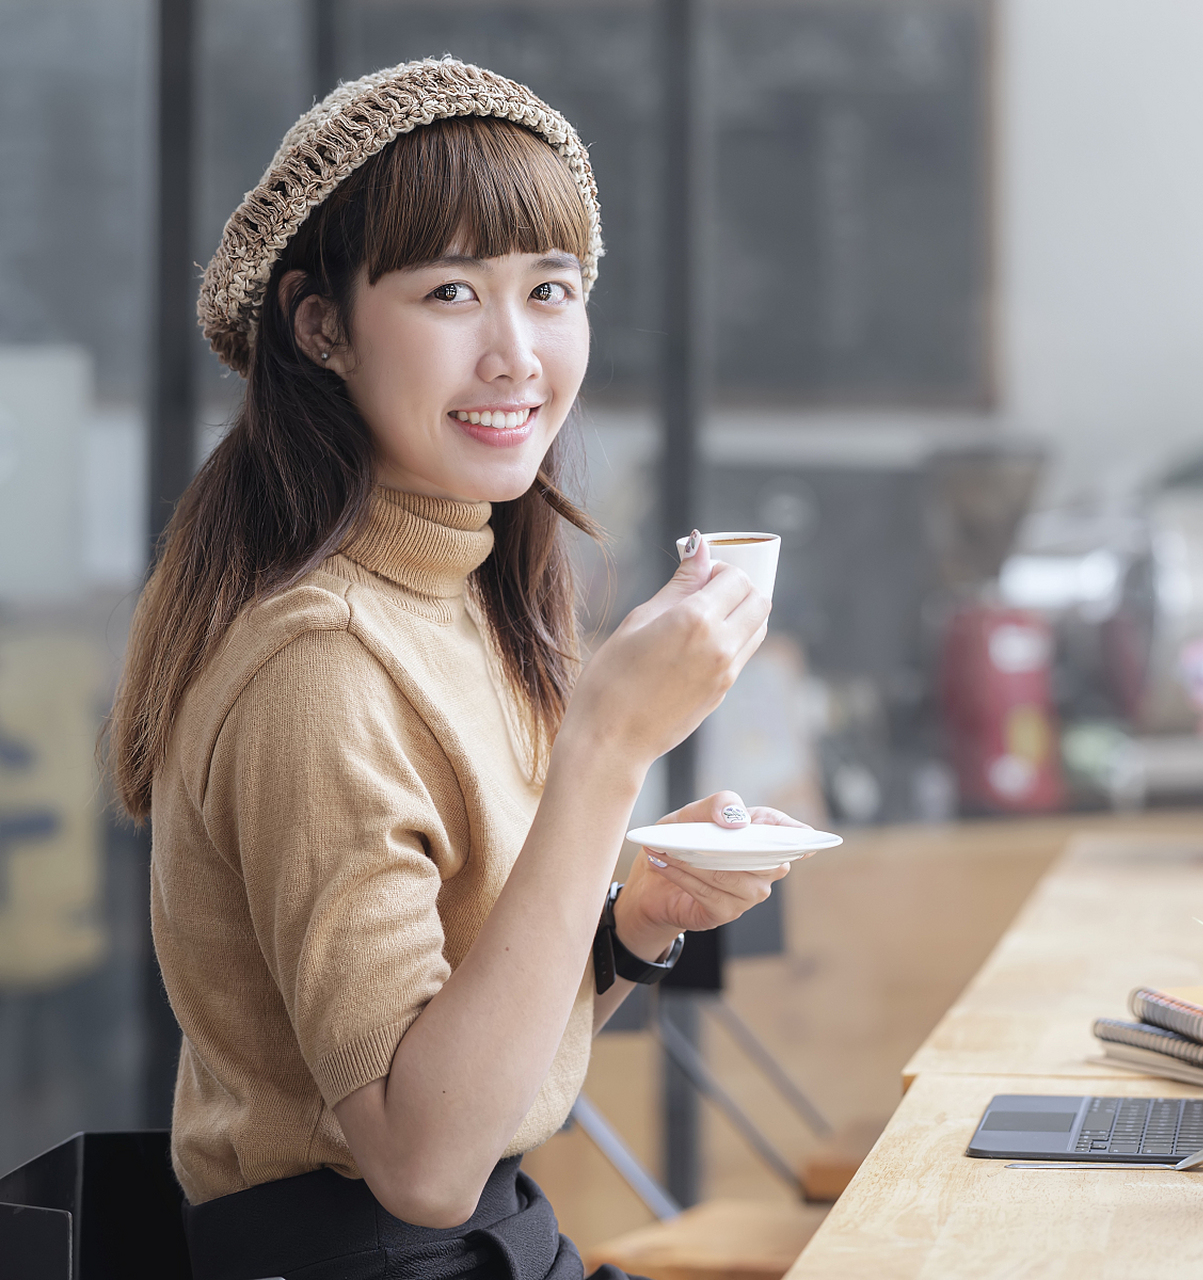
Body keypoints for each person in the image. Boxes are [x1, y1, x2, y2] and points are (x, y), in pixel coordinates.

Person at [109, 59, 789, 1279]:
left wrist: (633, 925)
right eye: (451, 293)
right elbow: (423, 1163)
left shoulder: (466, 600)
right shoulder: (317, 666)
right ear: (323, 326)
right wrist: (609, 746)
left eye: (550, 288)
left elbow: (472, 1064)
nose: (516, 351)